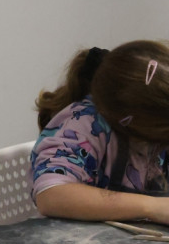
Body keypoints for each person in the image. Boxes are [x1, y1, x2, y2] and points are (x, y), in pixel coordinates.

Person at [31, 40, 169, 224]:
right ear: (133, 118)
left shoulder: (153, 126)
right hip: (73, 243)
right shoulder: (83, 124)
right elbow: (51, 194)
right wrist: (152, 207)